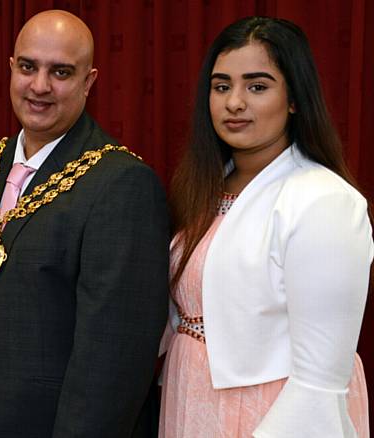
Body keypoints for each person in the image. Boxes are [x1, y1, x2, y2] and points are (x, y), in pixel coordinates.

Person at [0, 9, 169, 438]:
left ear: (89, 81)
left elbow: (114, 360)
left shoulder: (122, 183)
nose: (40, 86)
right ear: (11, 69)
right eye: (28, 67)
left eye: (61, 72)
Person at [159, 16, 372, 438]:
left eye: (257, 86)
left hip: (272, 410)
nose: (234, 102)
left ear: (294, 98)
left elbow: (320, 382)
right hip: (192, 395)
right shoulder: (205, 187)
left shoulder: (322, 199)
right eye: (222, 87)